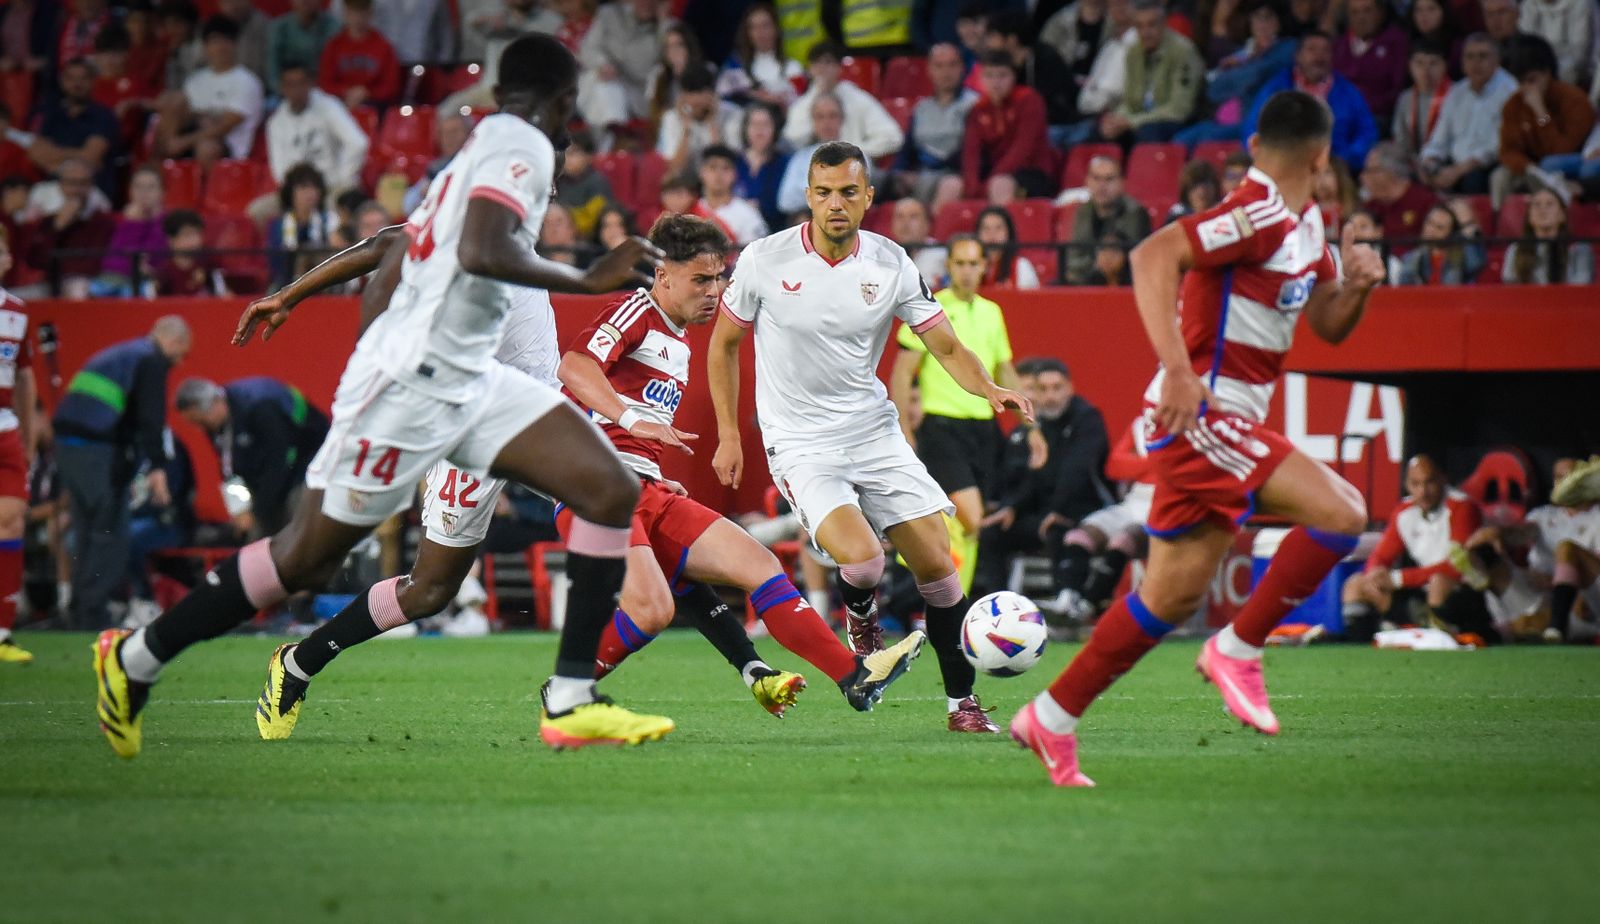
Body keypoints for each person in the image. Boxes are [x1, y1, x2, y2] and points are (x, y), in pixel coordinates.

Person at [92, 33, 671, 760]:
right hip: (412, 384)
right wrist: (587, 279)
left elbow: (401, 241)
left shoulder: (480, 151)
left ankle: (570, 699)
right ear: (562, 101)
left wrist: (289, 294)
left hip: (476, 382)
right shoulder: (521, 146)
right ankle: (137, 658)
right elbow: (480, 249)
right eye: (571, 104)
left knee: (608, 489)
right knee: (303, 560)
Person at [1011, 90, 1387, 787]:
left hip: (1231, 418)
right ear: (1324, 155)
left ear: (1254, 146)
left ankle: (1051, 718)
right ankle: (1240, 647)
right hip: (1201, 415)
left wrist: (1358, 287)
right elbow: (1154, 254)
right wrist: (1180, 373)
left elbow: (1329, 326)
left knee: (1169, 597)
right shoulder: (1260, 212)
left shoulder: (1310, 227)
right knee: (1342, 513)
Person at [708, 140, 1037, 734]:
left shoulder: (891, 263)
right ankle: (860, 615)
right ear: (808, 196)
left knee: (940, 569)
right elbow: (723, 345)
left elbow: (943, 343)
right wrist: (729, 434)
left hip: (873, 431)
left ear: (868, 198)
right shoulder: (764, 259)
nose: (836, 203)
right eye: (825, 192)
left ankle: (961, 707)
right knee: (862, 559)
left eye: (849, 193)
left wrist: (987, 388)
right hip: (800, 439)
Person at [557, 213, 924, 707]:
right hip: (596, 490)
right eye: (701, 279)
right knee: (650, 610)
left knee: (760, 563)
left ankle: (853, 675)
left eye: (720, 278)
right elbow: (574, 366)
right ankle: (567, 689)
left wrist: (654, 470)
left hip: (645, 487)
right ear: (663, 276)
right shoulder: (633, 310)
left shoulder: (681, 339)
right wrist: (630, 418)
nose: (715, 290)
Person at [891, 235, 1035, 592]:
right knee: (970, 516)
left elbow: (1004, 369)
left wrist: (1031, 425)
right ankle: (937, 590)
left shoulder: (992, 312)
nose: (967, 271)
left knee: (971, 525)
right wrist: (903, 428)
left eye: (974, 264)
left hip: (983, 428)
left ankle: (955, 604)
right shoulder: (931, 307)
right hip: (942, 426)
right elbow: (902, 372)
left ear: (984, 267)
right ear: (949, 267)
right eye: (960, 263)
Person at [53, 316, 190, 632]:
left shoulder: (119, 354)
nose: (179, 362)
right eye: (182, 354)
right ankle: (94, 616)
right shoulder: (151, 359)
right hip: (98, 452)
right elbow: (150, 417)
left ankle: (78, 611)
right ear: (173, 341)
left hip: (69, 448)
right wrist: (157, 465)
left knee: (87, 532)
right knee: (112, 533)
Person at [1341, 455, 1487, 639]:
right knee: (1356, 584)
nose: (1423, 491)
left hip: (1468, 594)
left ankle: (1447, 639)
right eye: (1415, 484)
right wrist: (1375, 574)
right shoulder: (1404, 512)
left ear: (1443, 479)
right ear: (1407, 485)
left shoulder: (1463, 507)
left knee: (1439, 583)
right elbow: (1381, 556)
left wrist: (1398, 579)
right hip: (1421, 593)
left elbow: (1457, 567)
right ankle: (1357, 648)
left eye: (1429, 483)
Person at [174, 377, 331, 536]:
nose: (201, 428)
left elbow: (278, 463)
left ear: (215, 403)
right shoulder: (217, 424)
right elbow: (230, 469)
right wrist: (240, 508)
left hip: (309, 460)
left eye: (200, 421)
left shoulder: (260, 406)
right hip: (275, 469)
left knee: (295, 511)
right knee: (257, 528)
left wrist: (256, 511)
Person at [1242, 31, 1377, 170]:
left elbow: (1367, 131)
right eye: (1312, 49)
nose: (1319, 56)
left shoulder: (1348, 91)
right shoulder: (1275, 88)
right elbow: (1253, 129)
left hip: (1336, 167)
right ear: (1297, 56)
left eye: (1325, 50)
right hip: (1284, 167)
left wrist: (1346, 158)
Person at [1175, 1, 1297, 147]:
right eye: (1257, 18)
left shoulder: (1287, 48)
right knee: (1180, 141)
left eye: (1268, 17)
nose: (1262, 24)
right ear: (1250, 22)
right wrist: (1242, 64)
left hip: (1260, 122)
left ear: (1278, 22)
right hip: (1227, 119)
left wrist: (1242, 66)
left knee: (1208, 139)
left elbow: (1256, 75)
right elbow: (1214, 91)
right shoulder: (1243, 53)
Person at [1493, 35, 1596, 205]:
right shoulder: (1514, 104)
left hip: (1568, 165)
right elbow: (1507, 150)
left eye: (1532, 80)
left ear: (1547, 73)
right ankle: (1499, 228)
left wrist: (1541, 113)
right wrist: (1527, 167)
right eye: (1520, 82)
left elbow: (1560, 151)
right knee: (1499, 176)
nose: (1526, 88)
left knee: (1550, 166)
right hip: (1532, 168)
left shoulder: (1574, 100)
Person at [1418, 33, 1518, 195]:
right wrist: (1430, 162)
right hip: (1455, 163)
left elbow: (1497, 147)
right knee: (1421, 174)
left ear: (1497, 60)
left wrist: (1458, 170)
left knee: (1473, 179)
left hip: (1486, 164)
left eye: (1483, 56)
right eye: (1469, 57)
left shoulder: (1511, 91)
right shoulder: (1456, 92)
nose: (1476, 63)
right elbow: (1439, 139)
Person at [157, 15, 265, 162]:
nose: (220, 47)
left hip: (228, 147)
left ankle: (209, 185)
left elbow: (225, 126)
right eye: (215, 41)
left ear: (235, 44)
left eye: (226, 40)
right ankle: (156, 171)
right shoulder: (195, 80)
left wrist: (184, 141)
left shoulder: (248, 81)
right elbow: (186, 113)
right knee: (172, 102)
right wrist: (200, 117)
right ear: (205, 47)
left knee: (206, 147)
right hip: (194, 135)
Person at [1096, 0, 1203, 144]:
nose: (1146, 33)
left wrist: (1132, 122)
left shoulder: (1183, 52)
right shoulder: (1133, 52)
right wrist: (1117, 119)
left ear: (1164, 23)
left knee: (1148, 132)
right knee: (1100, 132)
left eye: (1152, 24)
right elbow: (1129, 102)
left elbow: (1179, 109)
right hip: (1142, 120)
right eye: (1140, 26)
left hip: (1177, 122)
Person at [961, 50, 1058, 203]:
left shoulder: (1029, 100)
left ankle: (999, 227)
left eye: (1002, 75)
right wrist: (972, 186)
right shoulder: (978, 109)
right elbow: (971, 153)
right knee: (951, 185)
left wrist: (989, 181)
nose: (995, 82)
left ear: (1013, 76)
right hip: (994, 173)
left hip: (1032, 173)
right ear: (980, 78)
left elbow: (1022, 150)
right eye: (989, 75)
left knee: (999, 184)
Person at [0, 228, 34, 663]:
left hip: (5, 427)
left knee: (11, 523)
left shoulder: (17, 312)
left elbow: (24, 374)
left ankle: (2, 632)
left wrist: (26, 431)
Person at [783, 42, 904, 160]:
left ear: (839, 67)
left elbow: (893, 137)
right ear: (809, 70)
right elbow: (792, 141)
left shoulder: (859, 99)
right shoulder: (802, 105)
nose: (822, 69)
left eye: (827, 62)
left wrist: (851, 153)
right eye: (816, 64)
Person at [890, 42, 976, 209]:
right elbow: (908, 150)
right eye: (939, 66)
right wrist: (898, 174)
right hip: (922, 173)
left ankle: (931, 234)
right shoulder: (921, 108)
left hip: (954, 173)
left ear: (962, 68)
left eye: (952, 65)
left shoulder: (974, 105)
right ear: (929, 70)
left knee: (947, 185)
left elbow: (970, 152)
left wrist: (928, 169)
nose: (946, 72)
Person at [266, 64, 369, 200]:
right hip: (296, 193)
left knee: (339, 207)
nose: (296, 90)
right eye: (290, 85)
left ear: (310, 84)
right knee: (258, 212)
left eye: (300, 83)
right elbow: (278, 168)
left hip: (332, 186)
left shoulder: (329, 107)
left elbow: (358, 143)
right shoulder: (276, 122)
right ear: (282, 88)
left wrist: (343, 179)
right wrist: (296, 191)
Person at [22, 158, 115, 298]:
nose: (77, 189)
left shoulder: (103, 221)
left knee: (77, 287)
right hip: (51, 284)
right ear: (61, 186)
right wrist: (56, 227)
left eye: (83, 183)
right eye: (71, 183)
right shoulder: (49, 221)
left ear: (90, 185)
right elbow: (35, 261)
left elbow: (101, 261)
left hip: (89, 283)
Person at [576, 0, 671, 135]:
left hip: (636, 93)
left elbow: (647, 70)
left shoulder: (665, 29)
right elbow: (587, 49)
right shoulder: (609, 14)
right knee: (600, 84)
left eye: (654, 2)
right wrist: (602, 64)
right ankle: (614, 134)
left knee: (606, 90)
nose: (648, 4)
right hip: (599, 83)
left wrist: (663, 23)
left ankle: (611, 138)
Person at [30, 57, 119, 196]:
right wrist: (78, 155)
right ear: (62, 82)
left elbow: (91, 157)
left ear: (92, 81)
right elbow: (36, 154)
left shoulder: (104, 116)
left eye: (83, 78)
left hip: (92, 190)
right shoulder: (51, 115)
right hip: (55, 188)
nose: (77, 84)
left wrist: (54, 158)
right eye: (71, 78)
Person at [1067, 154, 1151, 285]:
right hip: (1085, 281)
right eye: (1096, 178)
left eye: (1109, 179)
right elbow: (1074, 258)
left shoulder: (1135, 212)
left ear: (1122, 182)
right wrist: (1096, 264)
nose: (1101, 186)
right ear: (1087, 181)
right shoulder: (1083, 212)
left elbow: (1125, 261)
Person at [986, 10, 1076, 130]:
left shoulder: (1046, 58)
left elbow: (1054, 105)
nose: (988, 44)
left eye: (993, 37)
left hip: (1056, 126)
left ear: (1012, 40)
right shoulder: (1002, 64)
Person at [656, 67, 742, 176]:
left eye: (702, 93)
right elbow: (673, 168)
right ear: (683, 96)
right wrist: (686, 130)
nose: (698, 100)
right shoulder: (671, 118)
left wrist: (712, 123)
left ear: (713, 94)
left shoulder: (732, 113)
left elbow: (726, 167)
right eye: (692, 93)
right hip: (684, 184)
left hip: (718, 184)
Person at [96, 164, 167, 296]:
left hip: (152, 282)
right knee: (97, 288)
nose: (144, 193)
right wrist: (134, 223)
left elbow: (158, 259)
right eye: (138, 187)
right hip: (118, 280)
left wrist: (147, 269)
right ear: (130, 191)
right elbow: (110, 263)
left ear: (162, 192)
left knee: (134, 291)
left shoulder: (168, 222)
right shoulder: (120, 222)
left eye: (151, 187)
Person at [316, 0, 401, 109]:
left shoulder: (384, 46)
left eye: (362, 14)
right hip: (339, 105)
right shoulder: (333, 46)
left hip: (374, 106)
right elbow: (325, 83)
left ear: (370, 14)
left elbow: (391, 87)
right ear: (345, 14)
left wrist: (367, 93)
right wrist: (346, 91)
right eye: (353, 13)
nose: (358, 19)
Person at [716, 2, 803, 107]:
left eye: (765, 25)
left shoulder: (793, 68)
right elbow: (723, 102)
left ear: (776, 29)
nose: (760, 32)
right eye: (754, 27)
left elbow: (801, 104)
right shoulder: (734, 67)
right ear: (747, 33)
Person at [1503, 187, 1596, 284]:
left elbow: (1581, 289)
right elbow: (1511, 287)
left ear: (1562, 215)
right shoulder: (1515, 249)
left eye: (1549, 204)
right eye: (1537, 205)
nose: (1542, 209)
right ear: (1529, 217)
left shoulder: (1580, 250)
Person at [267, 163, 338, 290]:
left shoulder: (329, 219)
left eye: (314, 187)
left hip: (325, 283)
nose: (310, 193)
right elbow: (277, 259)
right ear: (291, 192)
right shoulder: (278, 224)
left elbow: (337, 251)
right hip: (285, 283)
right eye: (303, 188)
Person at [1360, 141, 1439, 252]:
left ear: (1389, 172)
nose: (1363, 177)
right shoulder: (1370, 207)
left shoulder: (1425, 202)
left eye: (1370, 170)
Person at [734, 101, 791, 233]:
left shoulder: (785, 163)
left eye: (765, 125)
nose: (760, 130)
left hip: (774, 231)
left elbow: (786, 205)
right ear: (745, 129)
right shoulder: (733, 162)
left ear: (775, 129)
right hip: (735, 231)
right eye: (754, 124)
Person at [1392, 42, 1452, 166]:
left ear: (1445, 66)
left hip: (1446, 160)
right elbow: (1401, 140)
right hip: (1413, 162)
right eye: (1419, 63)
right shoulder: (1405, 98)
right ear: (1410, 66)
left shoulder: (1455, 94)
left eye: (1433, 63)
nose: (1425, 70)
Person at [1396, 203, 1485, 284]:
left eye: (1439, 227)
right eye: (1429, 222)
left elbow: (1475, 265)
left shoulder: (1461, 257)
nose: (1431, 230)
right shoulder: (1412, 258)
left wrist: (1464, 233)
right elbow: (1406, 287)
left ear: (1451, 234)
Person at [265, 0, 340, 95]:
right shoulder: (280, 28)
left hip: (323, 92)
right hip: (286, 92)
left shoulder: (334, 28)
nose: (305, 1)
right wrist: (286, 91)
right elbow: (272, 71)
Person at [698, 144, 768, 246]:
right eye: (713, 167)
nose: (719, 174)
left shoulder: (748, 213)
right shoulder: (689, 209)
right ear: (702, 172)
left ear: (735, 174)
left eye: (725, 168)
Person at [1518, 0, 1594, 86]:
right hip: (1536, 70)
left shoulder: (1579, 4)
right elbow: (1525, 44)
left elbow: (1579, 54)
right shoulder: (1529, 4)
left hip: (1570, 77)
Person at [152, 209, 224, 296]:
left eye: (197, 234)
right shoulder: (164, 272)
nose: (194, 241)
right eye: (187, 235)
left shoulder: (209, 264)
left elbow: (224, 295)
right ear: (171, 239)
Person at [890, 197, 947, 289]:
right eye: (900, 216)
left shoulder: (940, 254)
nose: (905, 223)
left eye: (913, 217)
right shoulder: (883, 252)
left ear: (927, 224)